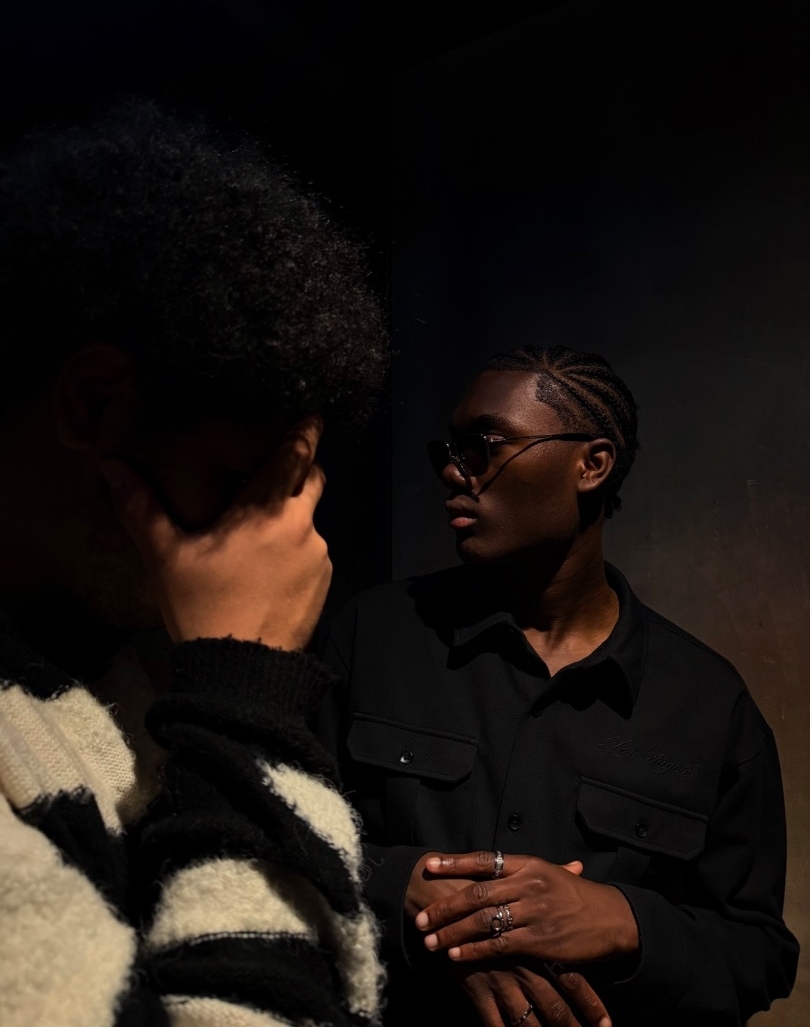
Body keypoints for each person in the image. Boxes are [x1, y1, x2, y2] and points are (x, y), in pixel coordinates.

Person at [0, 100, 387, 1027]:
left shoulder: (106, 678)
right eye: (236, 482)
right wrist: (246, 698)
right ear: (94, 406)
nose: (285, 544)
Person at [320, 345, 799, 1027]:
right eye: (449, 450)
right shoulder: (374, 636)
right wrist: (410, 894)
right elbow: (273, 839)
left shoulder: (710, 706)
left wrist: (622, 919)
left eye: (485, 446)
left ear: (592, 464)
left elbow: (758, 953)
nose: (454, 472)